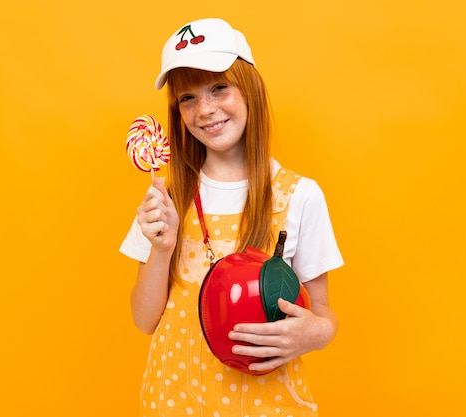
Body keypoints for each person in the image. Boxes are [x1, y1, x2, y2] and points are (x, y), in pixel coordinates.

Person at [119, 17, 344, 417]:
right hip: (175, 398)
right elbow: (143, 318)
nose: (205, 109)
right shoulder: (166, 198)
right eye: (187, 97)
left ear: (250, 88)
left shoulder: (299, 195)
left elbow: (322, 310)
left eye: (219, 87)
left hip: (266, 402)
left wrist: (315, 332)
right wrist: (161, 247)